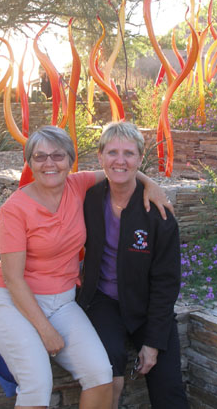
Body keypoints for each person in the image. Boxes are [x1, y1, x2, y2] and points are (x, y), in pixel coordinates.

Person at [0, 125, 172, 408]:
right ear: (30, 162)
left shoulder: (78, 184)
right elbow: (13, 279)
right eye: (40, 157)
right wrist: (45, 330)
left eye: (58, 156)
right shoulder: (15, 209)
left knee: (100, 374)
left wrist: (151, 184)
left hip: (62, 302)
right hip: (13, 301)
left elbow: (120, 170)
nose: (49, 163)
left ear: (70, 161)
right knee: (37, 383)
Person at [78, 122, 189, 409]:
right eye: (112, 152)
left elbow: (167, 282)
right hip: (103, 302)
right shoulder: (88, 198)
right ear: (100, 156)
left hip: (147, 306)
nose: (120, 160)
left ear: (140, 159)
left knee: (169, 392)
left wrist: (152, 343)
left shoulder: (158, 213)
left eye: (129, 153)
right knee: (107, 366)